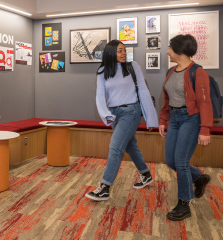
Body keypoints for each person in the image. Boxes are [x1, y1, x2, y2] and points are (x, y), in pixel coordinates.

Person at [85, 40, 159, 201]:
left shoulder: (133, 66)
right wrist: (106, 114)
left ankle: (104, 187)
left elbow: (144, 91)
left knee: (116, 146)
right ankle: (146, 174)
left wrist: (151, 118)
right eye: (120, 51)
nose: (124, 53)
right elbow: (99, 96)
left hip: (131, 111)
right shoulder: (103, 71)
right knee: (130, 145)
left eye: (124, 50)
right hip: (115, 113)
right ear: (111, 52)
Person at [160, 34, 212, 221]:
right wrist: (163, 120)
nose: (168, 51)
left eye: (170, 48)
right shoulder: (170, 72)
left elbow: (204, 102)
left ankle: (184, 203)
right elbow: (167, 100)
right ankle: (199, 178)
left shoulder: (198, 72)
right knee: (170, 161)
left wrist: (205, 129)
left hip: (191, 119)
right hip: (174, 118)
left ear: (179, 50)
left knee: (181, 162)